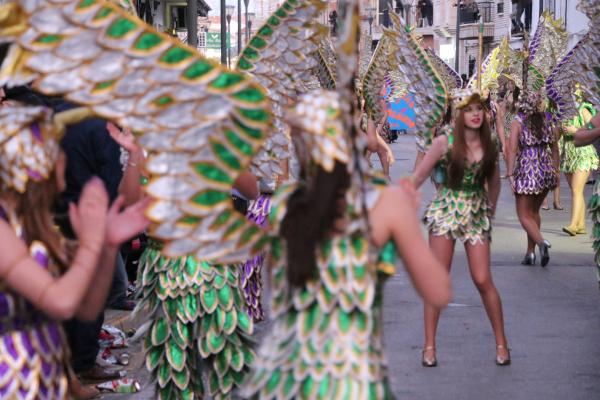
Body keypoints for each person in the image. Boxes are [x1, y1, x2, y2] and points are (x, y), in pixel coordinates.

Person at [0, 102, 148, 398]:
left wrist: (105, 249)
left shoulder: (40, 227)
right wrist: (94, 244)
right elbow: (62, 302)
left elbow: (86, 306)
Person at [412, 89, 510, 367]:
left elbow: (495, 183)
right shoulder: (444, 141)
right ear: (458, 114)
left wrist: (489, 211)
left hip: (476, 211)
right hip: (447, 209)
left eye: (479, 108)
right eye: (469, 109)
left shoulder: (489, 142)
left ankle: (502, 343)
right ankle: (429, 347)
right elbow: (420, 174)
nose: (476, 114)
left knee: (482, 278)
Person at [506, 91, 558, 266]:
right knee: (534, 212)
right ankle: (530, 253)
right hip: (546, 169)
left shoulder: (517, 121)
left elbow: (512, 149)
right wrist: (555, 172)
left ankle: (542, 243)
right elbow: (555, 148)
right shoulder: (548, 119)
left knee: (523, 215)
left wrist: (510, 174)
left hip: (527, 170)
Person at [560, 98, 598, 236]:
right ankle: (581, 224)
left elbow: (593, 131)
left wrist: (575, 130)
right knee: (576, 190)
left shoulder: (583, 110)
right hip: (568, 154)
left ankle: (573, 225)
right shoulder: (562, 111)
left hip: (583, 153)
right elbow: (557, 134)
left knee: (576, 190)